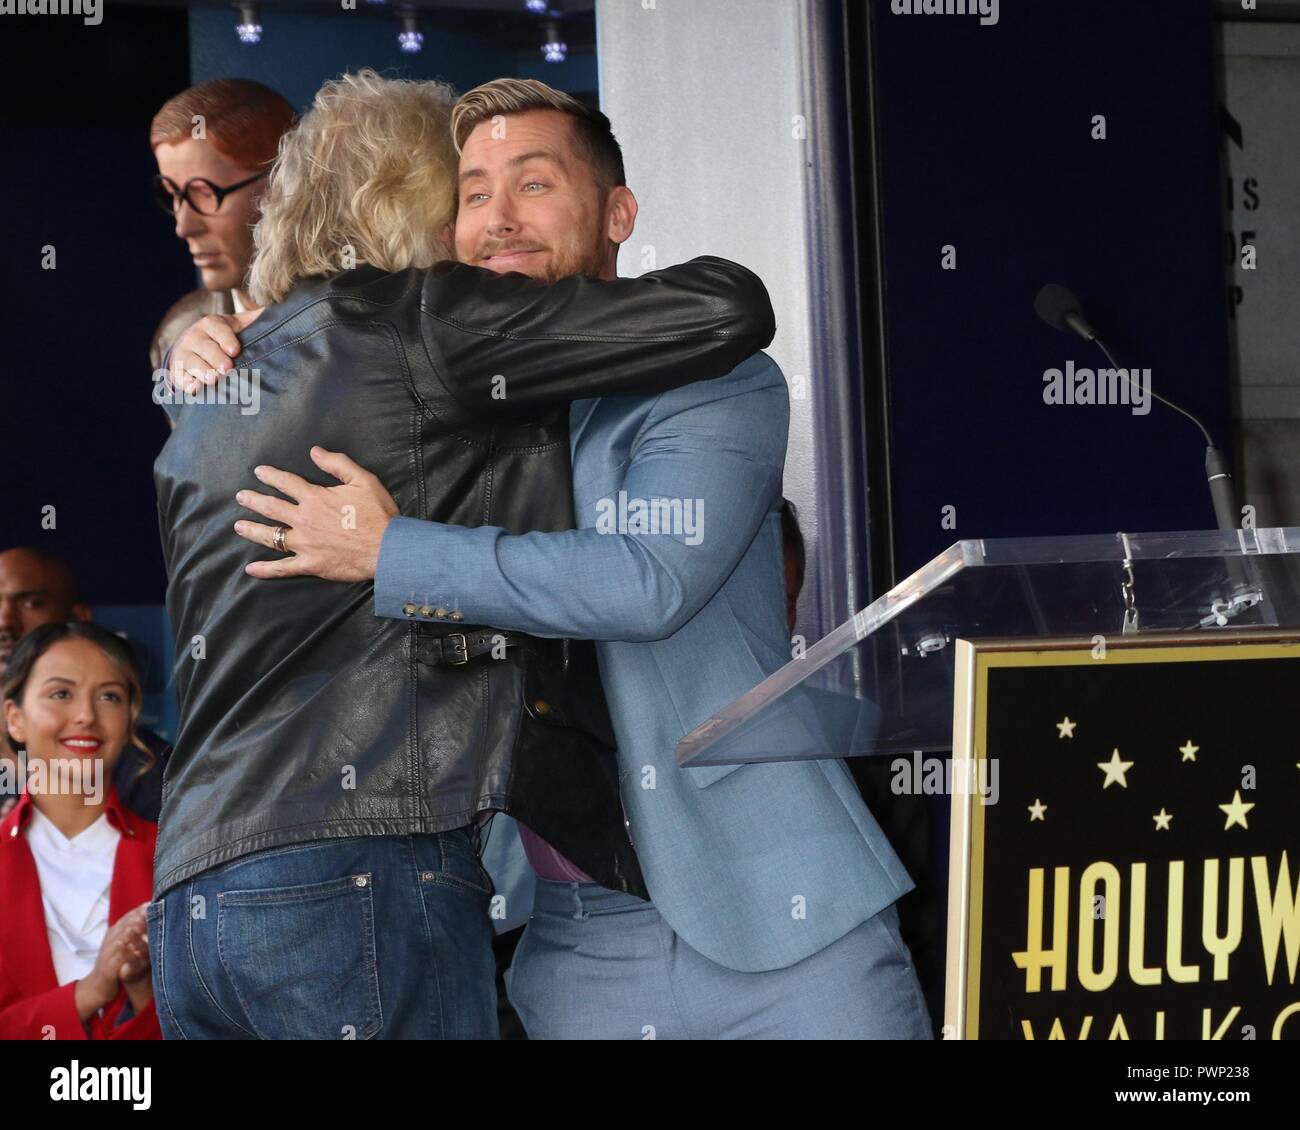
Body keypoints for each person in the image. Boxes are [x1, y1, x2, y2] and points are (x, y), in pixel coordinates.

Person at [200, 77, 929, 1038]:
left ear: (618, 212)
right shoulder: (436, 402)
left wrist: (395, 552)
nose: (497, 218)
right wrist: (212, 339)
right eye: (470, 193)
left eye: (534, 183)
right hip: (570, 944)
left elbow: (648, 580)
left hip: (784, 924)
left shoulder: (709, 378)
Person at [0, 622, 160, 1040]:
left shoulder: (173, 860)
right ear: (15, 718)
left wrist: (142, 987)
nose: (86, 714)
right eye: (61, 694)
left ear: (128, 721)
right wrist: (90, 992)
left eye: (109, 696)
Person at [0, 547, 168, 821]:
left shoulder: (144, 769)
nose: (5, 621)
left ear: (78, 617)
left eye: (31, 603)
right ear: (14, 718)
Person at [149, 78, 295, 373]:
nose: (183, 227)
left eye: (204, 193)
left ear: (282, 183)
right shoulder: (177, 333)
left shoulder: (357, 318)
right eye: (173, 195)